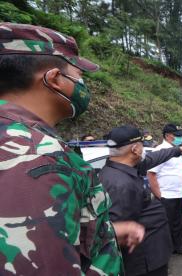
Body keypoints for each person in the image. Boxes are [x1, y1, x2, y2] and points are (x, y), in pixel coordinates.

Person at [0, 23, 145, 274]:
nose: (83, 85)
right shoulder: (37, 158)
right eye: (79, 76)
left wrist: (100, 233)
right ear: (55, 79)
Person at [100, 125, 182, 276]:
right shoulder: (120, 185)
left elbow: (153, 159)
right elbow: (113, 232)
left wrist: (178, 150)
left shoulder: (121, 167)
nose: (144, 150)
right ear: (135, 149)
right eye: (142, 146)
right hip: (145, 263)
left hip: (151, 256)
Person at [147, 124, 182, 256]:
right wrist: (159, 196)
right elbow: (151, 174)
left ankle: (178, 247)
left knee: (178, 224)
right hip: (166, 197)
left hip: (178, 194)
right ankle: (164, 253)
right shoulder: (160, 151)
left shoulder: (177, 150)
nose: (181, 138)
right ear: (168, 135)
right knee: (165, 226)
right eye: (178, 135)